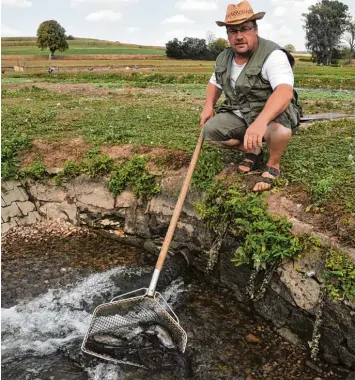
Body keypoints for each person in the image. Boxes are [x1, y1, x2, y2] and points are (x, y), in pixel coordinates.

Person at [200, 0, 300, 192]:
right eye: (233, 31)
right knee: (210, 132)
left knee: (279, 132)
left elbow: (284, 91)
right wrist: (208, 105)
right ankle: (252, 149)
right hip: (241, 113)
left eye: (245, 29)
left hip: (270, 114)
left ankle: (273, 166)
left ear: (255, 30)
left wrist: (261, 122)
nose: (239, 36)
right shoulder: (224, 57)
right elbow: (215, 82)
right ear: (228, 35)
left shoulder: (273, 55)